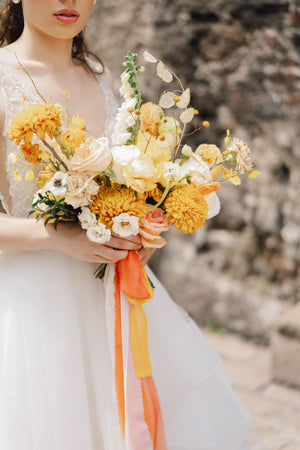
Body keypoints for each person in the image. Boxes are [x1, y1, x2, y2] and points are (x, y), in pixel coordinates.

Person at [0, 1, 264, 449]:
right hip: (34, 305)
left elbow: (129, 179)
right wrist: (55, 235)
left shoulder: (102, 75)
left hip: (118, 292)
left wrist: (144, 227)